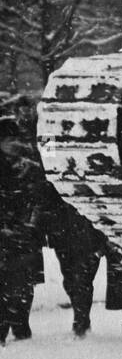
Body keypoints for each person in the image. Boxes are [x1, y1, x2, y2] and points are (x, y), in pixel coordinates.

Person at [0, 114, 44, 344]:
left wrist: (31, 222)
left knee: (24, 284)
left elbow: (38, 196)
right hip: (6, 235)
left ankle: (20, 325)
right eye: (7, 139)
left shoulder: (31, 165)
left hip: (26, 232)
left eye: (15, 139)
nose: (13, 144)